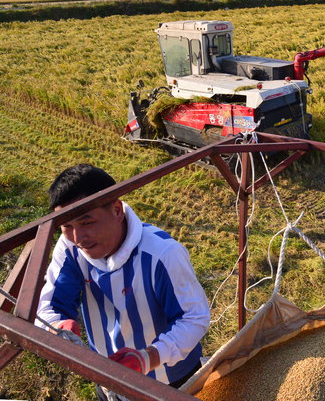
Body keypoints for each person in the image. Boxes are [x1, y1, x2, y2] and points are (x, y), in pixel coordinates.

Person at [35, 164, 210, 400]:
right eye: (67, 226)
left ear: (117, 210)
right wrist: (57, 325)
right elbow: (50, 307)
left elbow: (193, 317)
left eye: (87, 222)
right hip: (110, 379)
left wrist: (149, 357)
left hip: (171, 380)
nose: (78, 238)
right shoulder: (70, 250)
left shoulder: (162, 254)